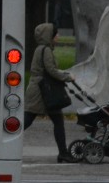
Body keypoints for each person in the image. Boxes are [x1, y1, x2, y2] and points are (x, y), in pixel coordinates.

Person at [24, 22, 76, 163]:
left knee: (56, 120)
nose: (58, 36)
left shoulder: (40, 49)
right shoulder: (45, 50)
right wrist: (67, 77)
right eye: (56, 34)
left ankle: (63, 153)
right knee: (26, 120)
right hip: (42, 91)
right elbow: (51, 70)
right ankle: (63, 154)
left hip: (41, 89)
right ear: (49, 36)